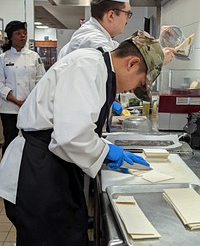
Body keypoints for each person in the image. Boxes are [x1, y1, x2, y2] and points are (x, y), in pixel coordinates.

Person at [3, 30, 163, 245]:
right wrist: (106, 151)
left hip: (50, 163)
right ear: (132, 64)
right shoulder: (87, 66)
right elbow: (70, 137)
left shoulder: (95, 66)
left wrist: (104, 149)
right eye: (139, 83)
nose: (132, 89)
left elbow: (75, 128)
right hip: (38, 170)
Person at [0, 21, 45, 156]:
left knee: (31, 140)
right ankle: (6, 171)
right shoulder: (3, 58)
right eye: (18, 33)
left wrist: (30, 100)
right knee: (10, 140)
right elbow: (0, 84)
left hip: (30, 106)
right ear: (10, 37)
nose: (23, 36)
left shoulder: (34, 56)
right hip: (9, 108)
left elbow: (41, 80)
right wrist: (17, 101)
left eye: (24, 33)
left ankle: (27, 169)